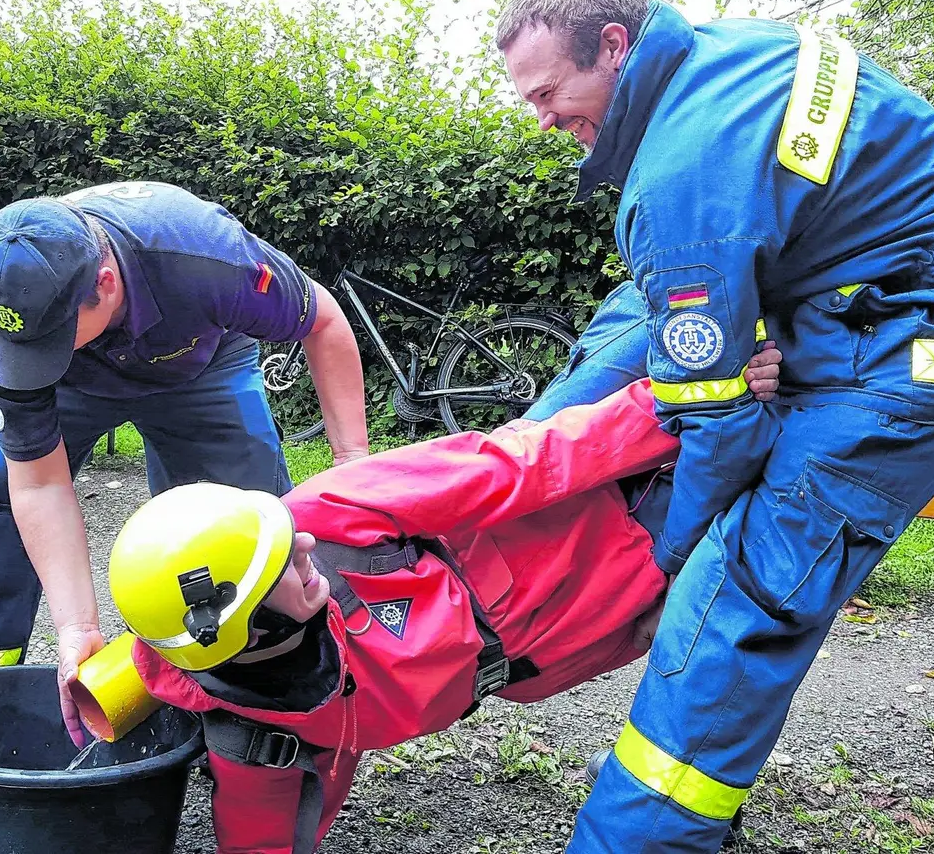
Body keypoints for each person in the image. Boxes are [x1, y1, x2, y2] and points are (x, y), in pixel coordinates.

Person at [493, 0, 934, 851]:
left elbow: (716, 428)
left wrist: (654, 561)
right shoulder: (716, 63)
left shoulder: (684, 175)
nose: (543, 118)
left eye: (549, 92)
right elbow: (658, 302)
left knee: (737, 592)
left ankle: (637, 838)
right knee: (654, 344)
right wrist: (537, 435)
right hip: (884, 286)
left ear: (613, 46)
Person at [106, 350, 784, 854]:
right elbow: (264, 841)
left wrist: (666, 408)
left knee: (755, 383)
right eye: (281, 563)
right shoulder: (255, 733)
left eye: (283, 538)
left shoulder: (324, 515)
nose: (303, 541)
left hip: (597, 505)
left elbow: (505, 466)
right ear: (248, 634)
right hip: (582, 626)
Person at [0, 180, 370, 747]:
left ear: (105, 284)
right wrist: (77, 629)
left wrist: (351, 467)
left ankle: (244, 721)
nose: (35, 351)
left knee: (253, 533)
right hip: (67, 389)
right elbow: (38, 484)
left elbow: (323, 321)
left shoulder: (200, 254)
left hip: (201, 365)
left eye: (54, 335)